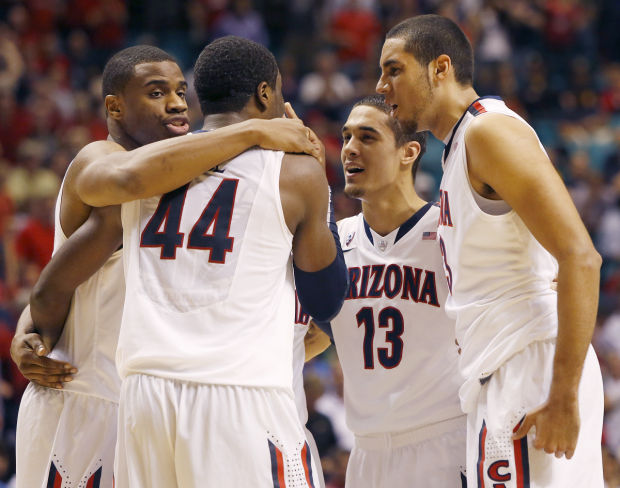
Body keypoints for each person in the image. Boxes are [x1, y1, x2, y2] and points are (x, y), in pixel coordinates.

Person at [11, 44, 320, 488]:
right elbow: (51, 287)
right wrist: (256, 130)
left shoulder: (185, 171)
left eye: (179, 90)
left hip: (144, 401)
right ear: (115, 107)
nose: (176, 103)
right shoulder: (102, 159)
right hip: (84, 398)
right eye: (156, 93)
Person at [377, 14, 604, 486]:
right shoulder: (460, 145)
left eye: (393, 69)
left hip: (528, 366)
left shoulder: (489, 132)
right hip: (504, 366)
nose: (381, 85)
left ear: (440, 68)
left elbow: (581, 257)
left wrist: (562, 394)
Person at [304, 95, 467, 487]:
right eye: (345, 137)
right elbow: (307, 338)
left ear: (409, 152)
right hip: (366, 451)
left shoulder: (451, 234)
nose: (349, 149)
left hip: (444, 444)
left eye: (367, 137)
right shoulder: (331, 243)